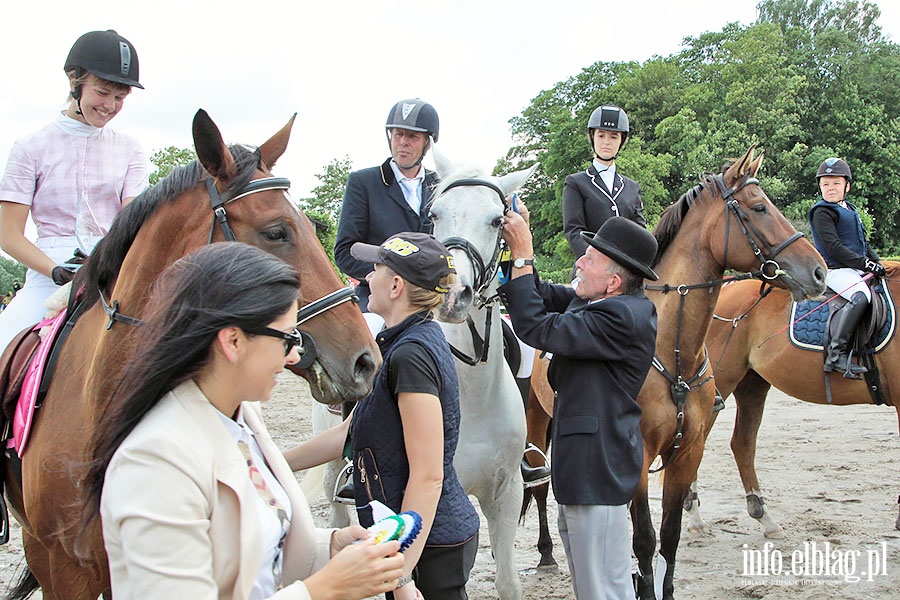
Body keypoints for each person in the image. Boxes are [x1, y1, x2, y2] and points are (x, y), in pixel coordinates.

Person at [78, 243, 406, 599]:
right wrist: (322, 590)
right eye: (288, 338)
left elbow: (247, 547)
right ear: (233, 341)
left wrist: (328, 547)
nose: (295, 355)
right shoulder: (156, 460)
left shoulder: (240, 416)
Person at [286, 232, 480, 600]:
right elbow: (349, 432)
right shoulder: (398, 343)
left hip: (428, 545)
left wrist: (402, 572)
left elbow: (428, 475)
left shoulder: (411, 356)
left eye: (374, 268)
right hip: (414, 534)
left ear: (395, 285)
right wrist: (273, 463)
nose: (365, 277)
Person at [498, 207, 658, 599]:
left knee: (604, 591)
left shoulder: (623, 315)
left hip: (596, 476)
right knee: (593, 588)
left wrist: (524, 253)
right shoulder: (602, 302)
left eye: (591, 258)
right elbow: (538, 293)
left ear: (614, 281)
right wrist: (517, 249)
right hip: (582, 475)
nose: (579, 261)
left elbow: (535, 324)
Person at [0, 29, 149, 352]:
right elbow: (8, 235)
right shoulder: (30, 147)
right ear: (74, 81)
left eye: (120, 98)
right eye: (103, 92)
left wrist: (107, 264)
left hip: (112, 273)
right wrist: (56, 272)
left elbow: (132, 223)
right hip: (47, 274)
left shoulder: (131, 150)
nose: (110, 106)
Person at [334, 99, 441, 313]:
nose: (403, 142)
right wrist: (387, 278)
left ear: (427, 143)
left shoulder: (440, 185)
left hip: (430, 299)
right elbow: (345, 252)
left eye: (412, 136)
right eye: (398, 134)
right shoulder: (363, 182)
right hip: (378, 297)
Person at [808, 157, 885, 379]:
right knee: (861, 296)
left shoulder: (849, 209)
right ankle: (837, 354)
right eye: (825, 184)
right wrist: (864, 264)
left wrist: (876, 262)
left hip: (853, 268)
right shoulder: (822, 211)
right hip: (835, 270)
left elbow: (862, 243)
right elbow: (834, 247)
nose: (830, 188)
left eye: (836, 183)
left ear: (847, 186)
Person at [562, 104, 645, 259]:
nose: (606, 142)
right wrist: (598, 261)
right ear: (592, 137)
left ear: (621, 141)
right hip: (589, 266)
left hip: (626, 269)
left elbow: (640, 230)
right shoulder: (576, 183)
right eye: (601, 135)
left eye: (613, 136)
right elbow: (574, 232)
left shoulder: (632, 187)